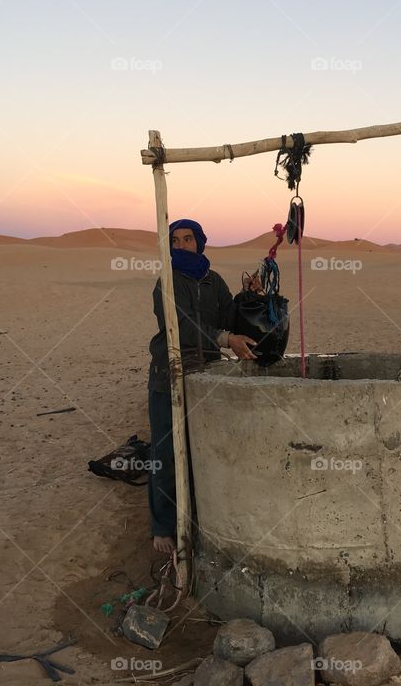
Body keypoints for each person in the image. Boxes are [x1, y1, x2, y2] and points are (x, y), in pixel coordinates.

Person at [148, 219, 257, 554]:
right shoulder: (166, 282)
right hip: (170, 375)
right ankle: (163, 527)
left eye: (188, 239)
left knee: (201, 447)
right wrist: (225, 339)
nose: (181, 245)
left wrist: (247, 297)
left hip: (206, 373)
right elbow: (180, 323)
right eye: (175, 240)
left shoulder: (213, 280)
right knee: (166, 452)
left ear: (200, 242)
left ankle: (196, 512)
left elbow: (228, 316)